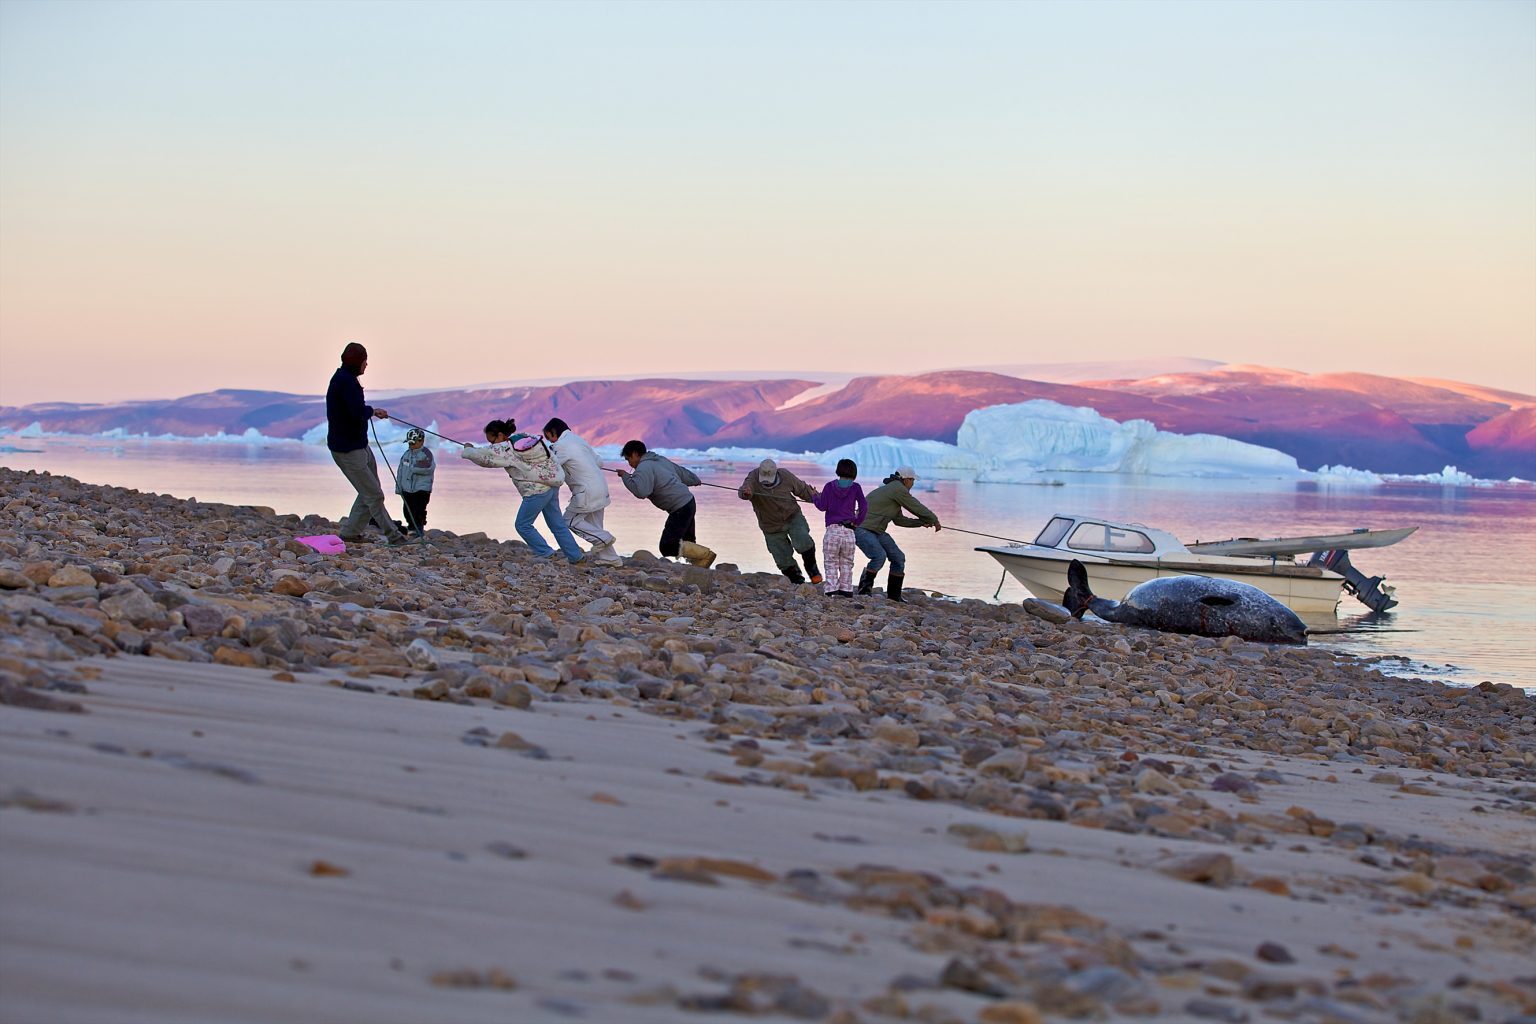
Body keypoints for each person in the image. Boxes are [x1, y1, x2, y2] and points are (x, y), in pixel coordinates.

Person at [460, 418, 585, 564]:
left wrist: (468, 449)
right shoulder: (527, 439)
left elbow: (485, 457)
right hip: (552, 485)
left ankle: (545, 553)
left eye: (492, 441)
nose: (491, 445)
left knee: (522, 525)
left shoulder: (506, 449)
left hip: (537, 491)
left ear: (500, 435)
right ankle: (576, 556)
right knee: (557, 524)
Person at [325, 342, 408, 546]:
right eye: (364, 361)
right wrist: (371, 411)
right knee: (374, 494)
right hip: (348, 449)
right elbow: (355, 413)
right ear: (357, 362)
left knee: (369, 491)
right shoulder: (345, 382)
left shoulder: (345, 379)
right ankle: (394, 536)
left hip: (359, 445)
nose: (366, 365)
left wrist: (371, 411)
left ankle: (351, 533)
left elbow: (354, 410)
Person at [617, 440, 716, 567]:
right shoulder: (660, 460)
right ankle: (699, 569)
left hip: (680, 507)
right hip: (689, 502)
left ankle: (706, 555)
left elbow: (641, 492)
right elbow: (681, 472)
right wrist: (695, 480)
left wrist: (625, 477)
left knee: (668, 546)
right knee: (687, 541)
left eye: (628, 459)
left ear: (635, 454)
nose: (629, 463)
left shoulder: (643, 467)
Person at [855, 465, 941, 603]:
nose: (913, 484)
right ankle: (864, 592)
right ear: (906, 479)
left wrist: (920, 522)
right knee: (879, 556)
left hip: (877, 530)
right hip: (862, 529)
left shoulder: (893, 491)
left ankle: (894, 597)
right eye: (912, 480)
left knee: (898, 558)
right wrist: (933, 519)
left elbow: (899, 521)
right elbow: (915, 505)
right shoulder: (897, 489)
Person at [543, 417, 620, 564]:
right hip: (601, 487)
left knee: (568, 521)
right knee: (595, 526)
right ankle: (611, 558)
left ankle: (605, 539)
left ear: (554, 432)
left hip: (586, 491)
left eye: (549, 437)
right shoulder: (579, 441)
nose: (550, 441)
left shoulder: (561, 446)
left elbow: (552, 467)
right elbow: (599, 461)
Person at [738, 458, 821, 585]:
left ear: (776, 473)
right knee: (782, 558)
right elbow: (743, 491)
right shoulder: (753, 477)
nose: (767, 483)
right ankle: (797, 581)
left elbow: (803, 490)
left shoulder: (786, 475)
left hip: (793, 516)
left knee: (803, 541)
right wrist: (746, 493)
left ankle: (813, 572)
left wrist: (820, 499)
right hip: (770, 525)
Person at [812, 458, 866, 597]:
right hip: (849, 531)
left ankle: (831, 590)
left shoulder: (829, 486)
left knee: (831, 562)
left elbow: (822, 506)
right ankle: (846, 590)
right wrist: (857, 522)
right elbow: (864, 507)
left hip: (832, 531)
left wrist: (815, 496)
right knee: (847, 562)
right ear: (854, 472)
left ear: (838, 470)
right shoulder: (856, 487)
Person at [395, 428, 435, 537]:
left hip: (421, 489)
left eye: (413, 443)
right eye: (409, 443)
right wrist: (399, 487)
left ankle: (418, 528)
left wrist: (413, 468)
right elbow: (400, 471)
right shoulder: (406, 454)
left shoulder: (426, 454)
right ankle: (411, 526)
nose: (411, 445)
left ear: (421, 441)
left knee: (419, 509)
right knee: (407, 510)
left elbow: (428, 467)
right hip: (407, 488)